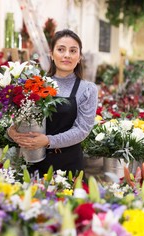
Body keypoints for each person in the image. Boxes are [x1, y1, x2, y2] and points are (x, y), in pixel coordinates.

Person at [7, 29, 98, 177]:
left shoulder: (87, 89)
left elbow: (82, 130)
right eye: (61, 49)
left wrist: (48, 141)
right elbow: (23, 119)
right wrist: (12, 131)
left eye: (73, 50)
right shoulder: (35, 84)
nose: (67, 55)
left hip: (68, 164)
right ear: (51, 54)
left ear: (79, 57)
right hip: (34, 161)